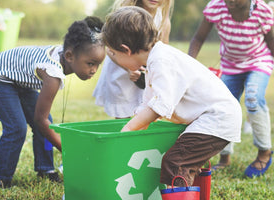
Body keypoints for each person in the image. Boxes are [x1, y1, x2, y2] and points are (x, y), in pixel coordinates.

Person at [101, 6, 241, 187]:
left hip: (216, 118)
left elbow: (159, 107)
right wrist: (138, 125)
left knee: (176, 163)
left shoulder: (161, 61)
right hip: (211, 118)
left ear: (125, 49)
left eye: (113, 53)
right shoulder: (155, 60)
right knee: (186, 162)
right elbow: (148, 105)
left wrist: (128, 129)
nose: (114, 59)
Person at [0, 16, 105, 188]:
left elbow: (43, 121)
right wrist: (65, 148)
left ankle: (45, 169)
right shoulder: (52, 73)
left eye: (98, 64)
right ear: (69, 56)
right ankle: (0, 179)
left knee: (48, 124)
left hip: (18, 80)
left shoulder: (66, 54)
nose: (94, 70)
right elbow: (40, 119)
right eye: (90, 63)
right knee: (17, 128)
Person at [188, 0, 274, 177]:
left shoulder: (262, 11)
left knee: (252, 97)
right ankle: (225, 157)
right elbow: (198, 38)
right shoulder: (216, 8)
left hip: (258, 61)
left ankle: (264, 152)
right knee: (223, 106)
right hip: (230, 65)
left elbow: (271, 40)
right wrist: (189, 65)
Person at [93, 0, 173, 119]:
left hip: (144, 73)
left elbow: (163, 51)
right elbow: (109, 48)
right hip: (121, 70)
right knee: (123, 109)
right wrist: (128, 69)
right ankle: (123, 134)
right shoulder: (125, 15)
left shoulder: (162, 21)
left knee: (145, 110)